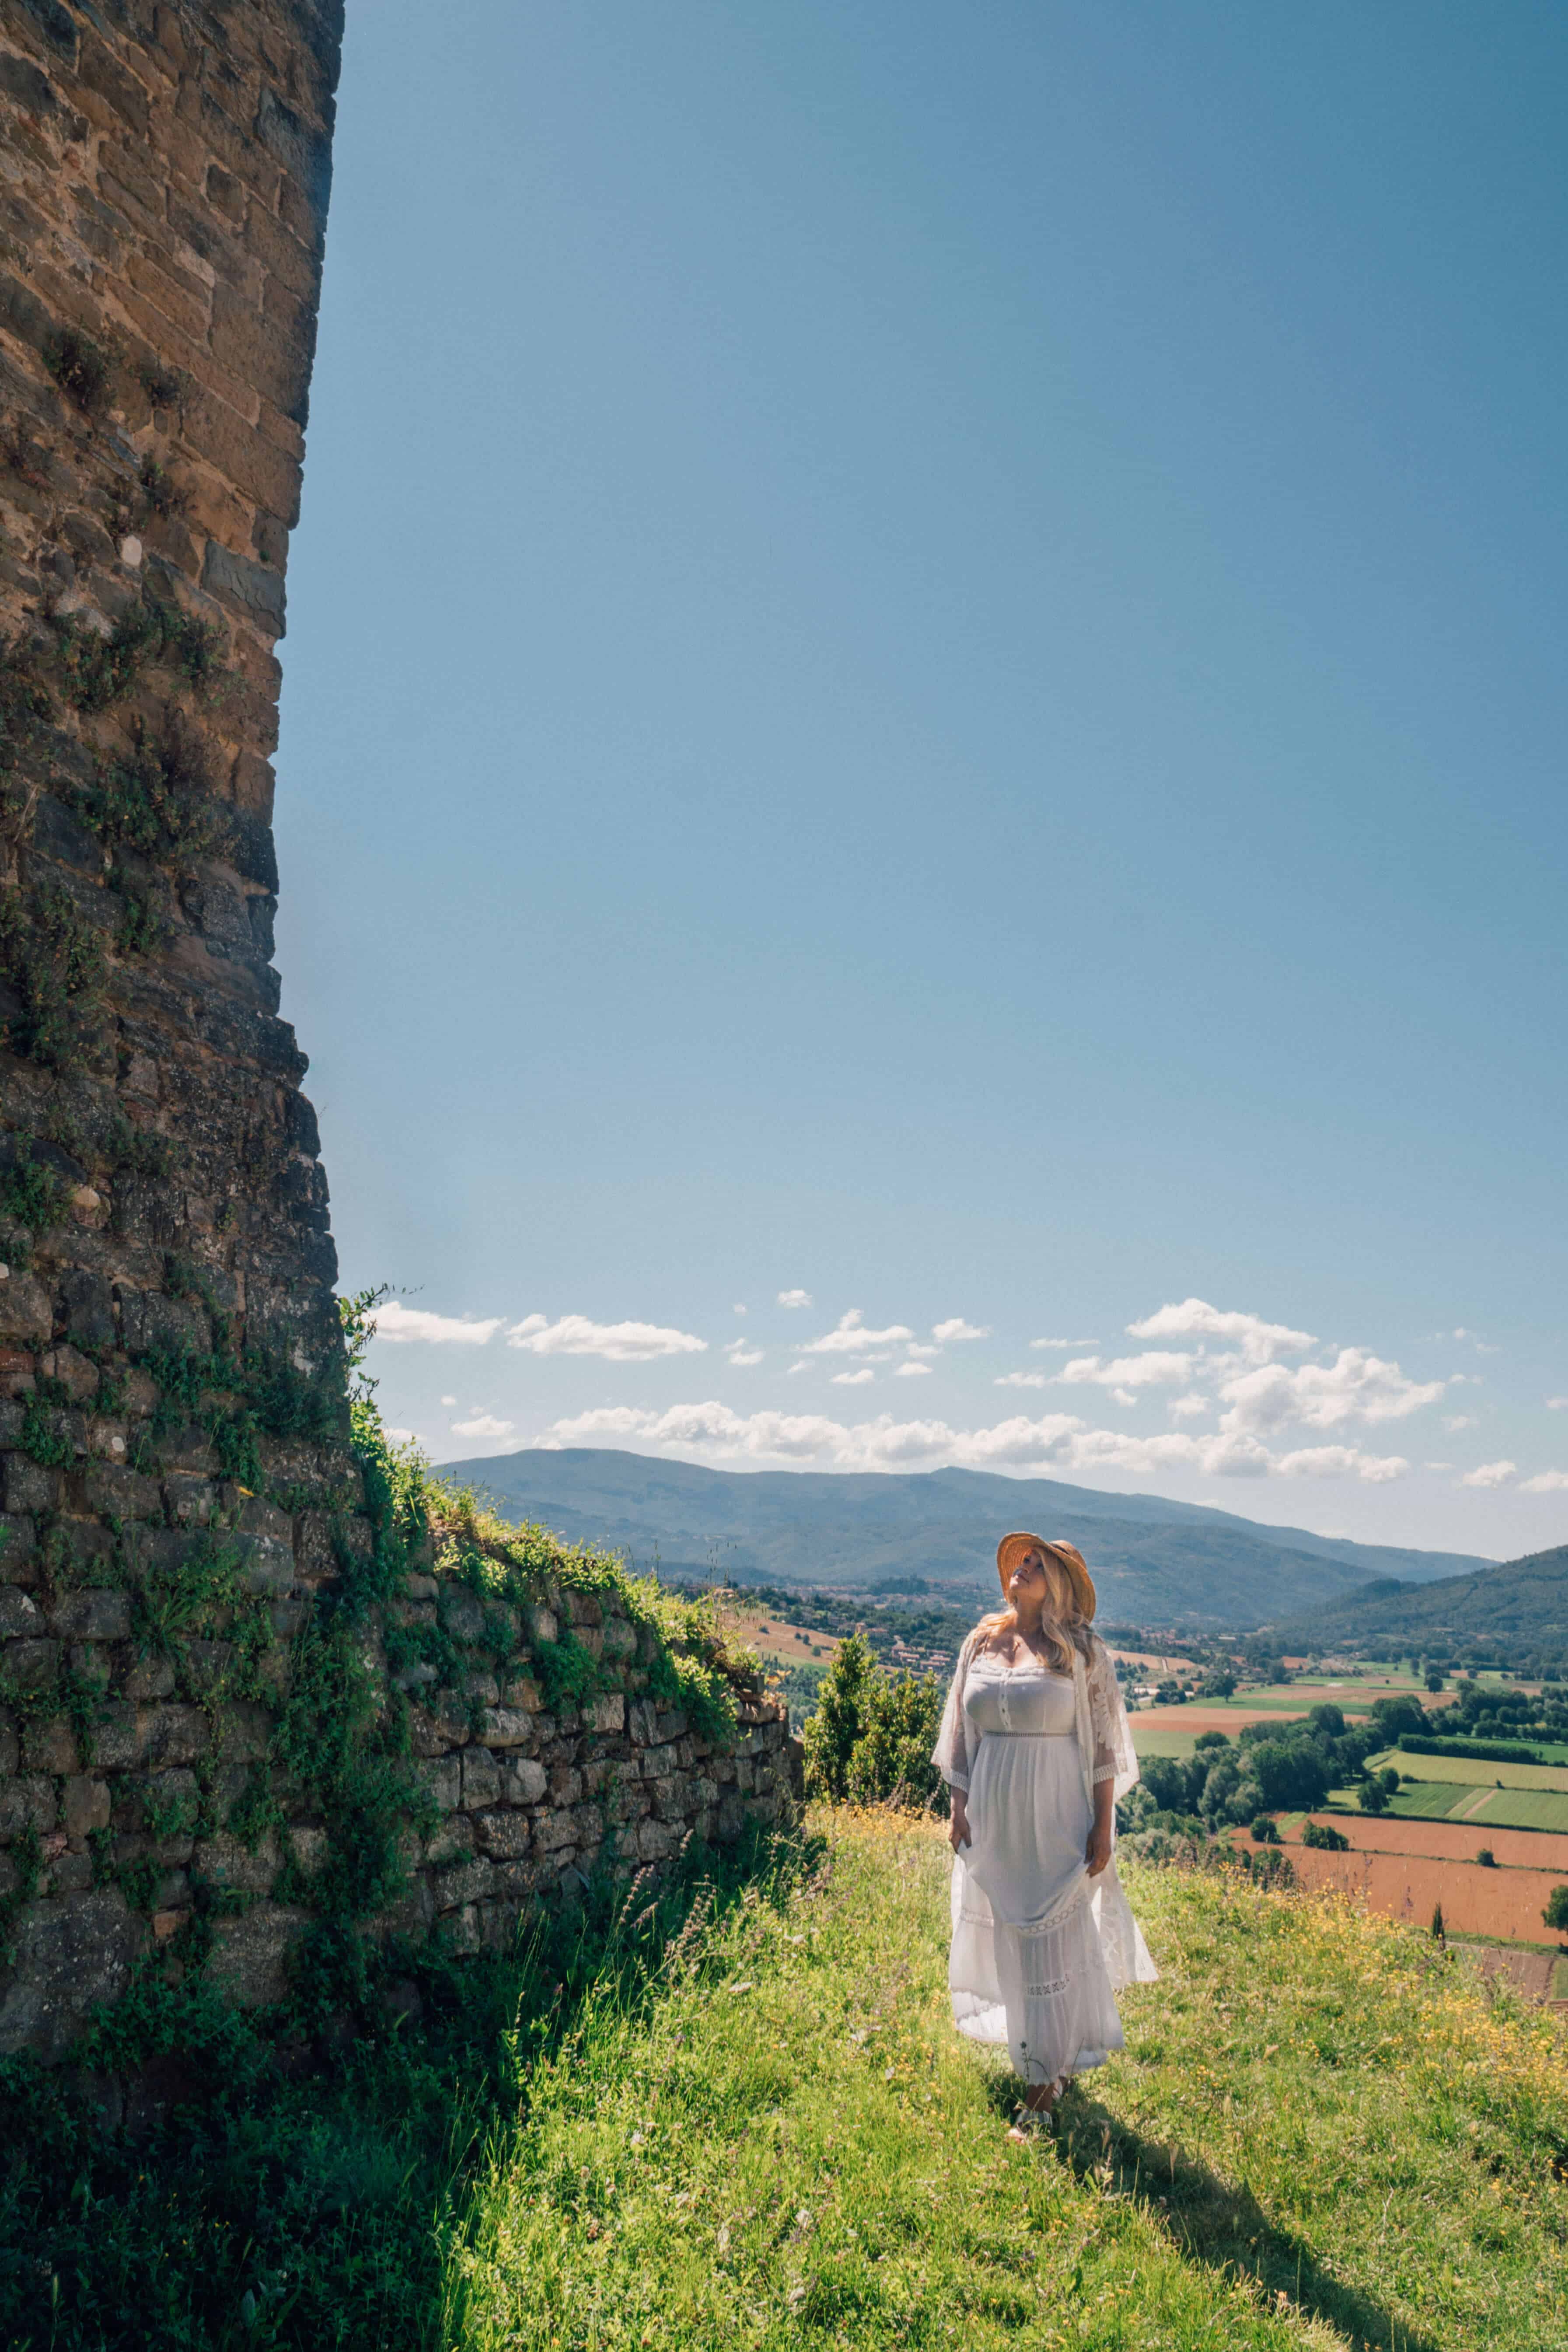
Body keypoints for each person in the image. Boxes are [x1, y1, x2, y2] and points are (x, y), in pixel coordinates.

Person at [932, 1532, 1156, 2123]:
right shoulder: (981, 1641)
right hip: (993, 1812)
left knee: (1049, 1940)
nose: (1022, 1570)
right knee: (1011, 1936)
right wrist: (958, 1805)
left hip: (1056, 1811)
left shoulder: (1080, 1652)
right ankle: (1042, 2058)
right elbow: (958, 1729)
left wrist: (1103, 1826)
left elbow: (1106, 1744)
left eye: (1036, 1565)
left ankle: (1040, 2087)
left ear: (1057, 1584)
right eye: (1020, 1562)